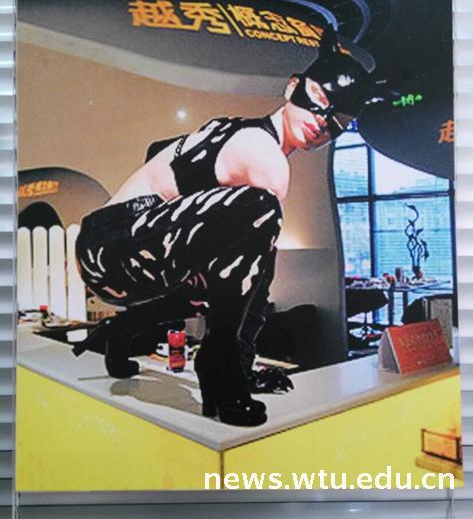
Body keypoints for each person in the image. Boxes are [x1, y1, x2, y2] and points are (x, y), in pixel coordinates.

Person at [73, 26, 378, 426]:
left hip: (112, 246)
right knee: (259, 224)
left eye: (337, 121)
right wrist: (233, 363)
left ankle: (124, 330)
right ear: (292, 87)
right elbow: (255, 275)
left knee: (230, 271)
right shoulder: (265, 157)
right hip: (113, 246)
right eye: (319, 101)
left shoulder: (234, 129)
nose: (322, 121)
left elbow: (158, 154)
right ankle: (220, 363)